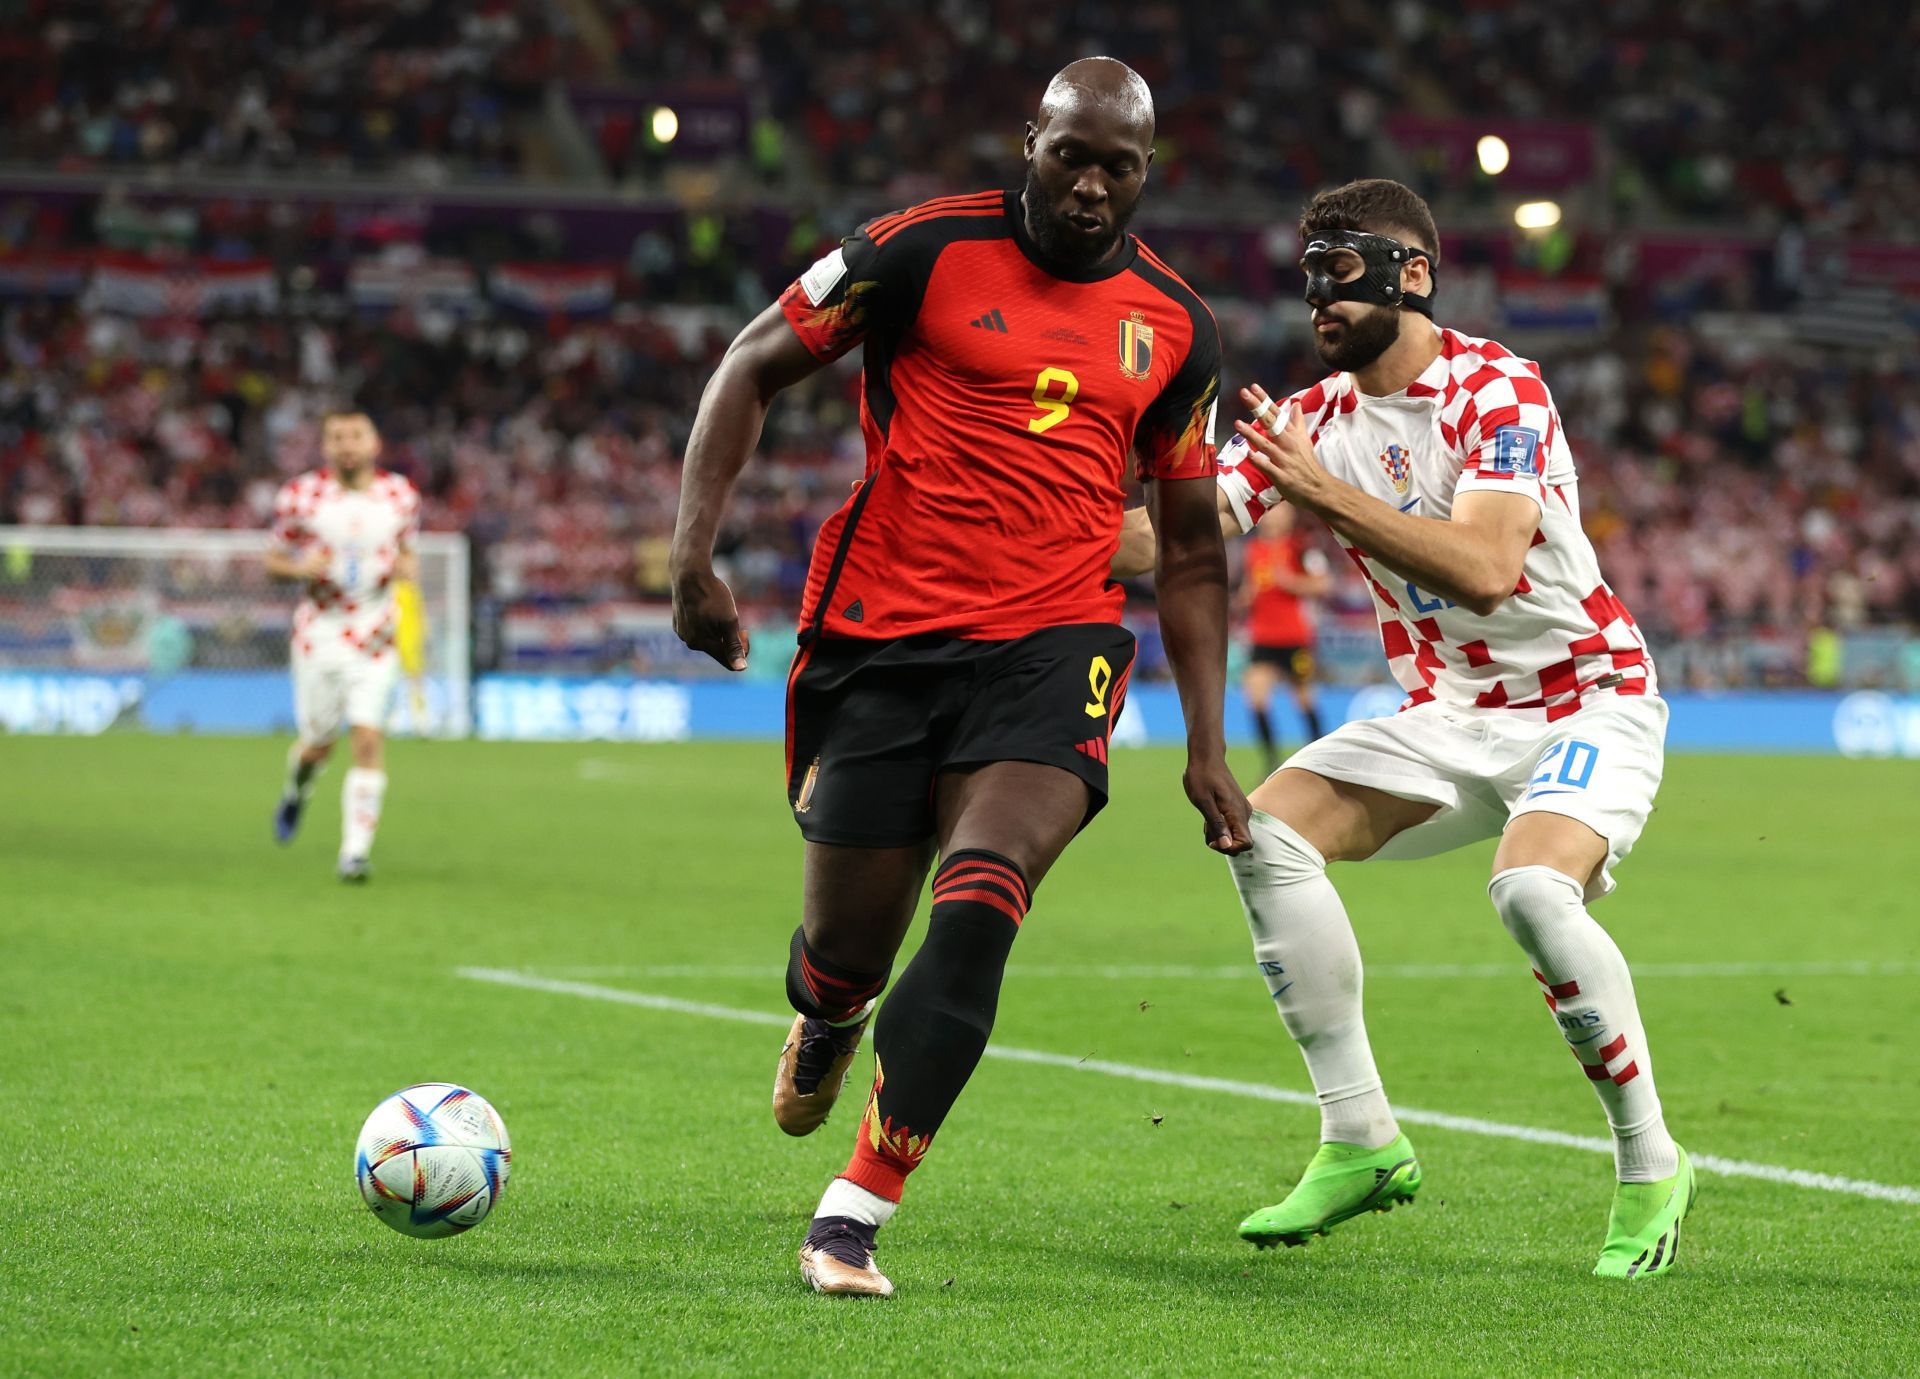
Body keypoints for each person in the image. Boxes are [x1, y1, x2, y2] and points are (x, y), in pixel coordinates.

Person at [670, 57, 1250, 1297]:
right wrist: (692, 561)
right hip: (883, 640)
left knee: (985, 894)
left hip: (1055, 648)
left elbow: (1193, 550)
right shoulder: (920, 250)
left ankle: (857, 1206)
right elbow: (750, 363)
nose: (1091, 187)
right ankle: (827, 1013)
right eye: (1070, 156)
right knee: (846, 946)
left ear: (1150, 172)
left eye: (1119, 167)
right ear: (1028, 140)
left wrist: (1208, 739)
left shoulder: (1180, 327)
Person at [1114, 179, 1691, 1280]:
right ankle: (1362, 1136)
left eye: (1340, 268)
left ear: (1410, 273)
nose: (1318, 295)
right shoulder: (1316, 420)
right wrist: (1010, 519)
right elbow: (1164, 540)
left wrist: (1321, 495)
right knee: (1264, 831)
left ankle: (1650, 1158)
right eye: (1308, 273)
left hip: (1588, 697)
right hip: (1452, 716)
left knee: (1530, 890)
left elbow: (1484, 568)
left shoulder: (1497, 388)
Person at [265, 409, 422, 882]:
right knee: (317, 746)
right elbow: (273, 560)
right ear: (325, 446)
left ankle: (354, 852)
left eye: (355, 436)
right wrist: (298, 568)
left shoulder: (400, 495)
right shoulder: (301, 497)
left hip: (375, 632)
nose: (346, 445)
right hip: (321, 634)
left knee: (369, 739)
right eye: (337, 437)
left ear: (374, 443)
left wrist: (406, 569)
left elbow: (406, 549)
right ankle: (297, 790)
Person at [1239, 499, 1330, 773]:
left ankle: (1320, 756)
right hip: (1262, 636)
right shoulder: (1253, 549)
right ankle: (1270, 760)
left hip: (1294, 637)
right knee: (1255, 697)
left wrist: (1291, 582)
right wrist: (1246, 597)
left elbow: (1324, 584)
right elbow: (1249, 588)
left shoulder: (1301, 547)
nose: (1272, 515)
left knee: (1303, 698)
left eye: (1278, 509)